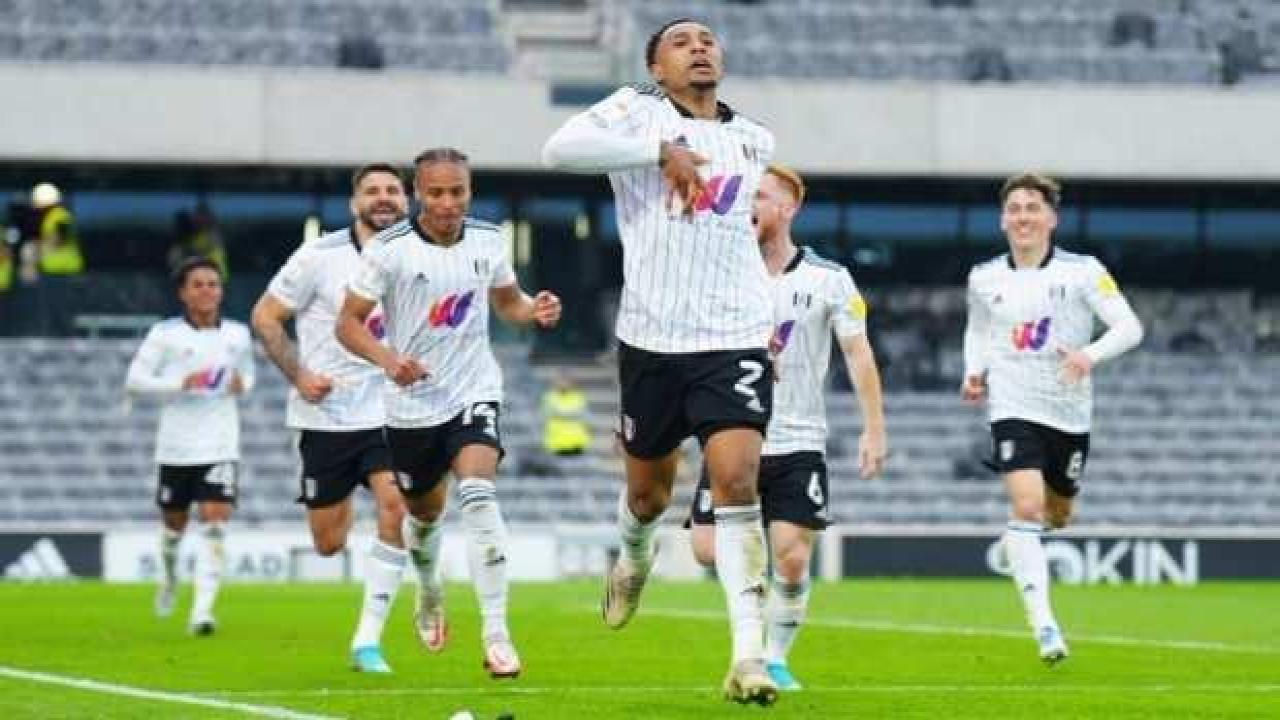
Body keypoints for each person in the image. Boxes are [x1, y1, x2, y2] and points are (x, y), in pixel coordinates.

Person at [543, 17, 781, 705]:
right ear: (657, 66)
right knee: (647, 497)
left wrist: (766, 323)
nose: (700, 46)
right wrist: (658, 151)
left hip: (732, 337)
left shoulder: (753, 138)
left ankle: (748, 656)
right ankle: (635, 556)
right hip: (651, 340)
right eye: (681, 41)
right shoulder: (635, 108)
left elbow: (739, 240)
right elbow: (559, 149)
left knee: (737, 483)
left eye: (708, 38)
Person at [336, 147, 562, 679]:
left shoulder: (488, 239)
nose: (446, 202)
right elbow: (348, 324)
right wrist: (390, 361)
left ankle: (497, 634)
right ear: (418, 193)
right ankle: (430, 589)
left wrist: (535, 310)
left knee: (479, 495)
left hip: (473, 390)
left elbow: (508, 304)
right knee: (425, 514)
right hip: (411, 404)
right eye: (435, 192)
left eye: (456, 191)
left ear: (469, 191)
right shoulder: (389, 251)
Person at [686, 165, 887, 692]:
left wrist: (874, 429)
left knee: (793, 559)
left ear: (788, 208)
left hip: (798, 438)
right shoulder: (719, 274)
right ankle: (753, 640)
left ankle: (769, 658)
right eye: (744, 196)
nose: (747, 204)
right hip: (732, 435)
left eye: (761, 196)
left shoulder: (828, 279)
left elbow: (858, 353)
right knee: (706, 549)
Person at [962, 173, 1143, 664]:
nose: (1023, 216)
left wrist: (1089, 356)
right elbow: (977, 331)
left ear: (1051, 218)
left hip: (1068, 410)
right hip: (1012, 405)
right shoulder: (984, 277)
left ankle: (1015, 544)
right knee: (1026, 507)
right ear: (1003, 220)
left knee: (1058, 514)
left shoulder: (1083, 271)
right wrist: (974, 372)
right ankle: (1045, 627)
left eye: (1032, 208)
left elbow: (1130, 327)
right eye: (1015, 208)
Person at [251, 163, 411, 673]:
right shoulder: (318, 256)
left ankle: (368, 641)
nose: (383, 198)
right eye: (372, 190)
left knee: (395, 504)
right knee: (328, 543)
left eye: (392, 189)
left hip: (392, 410)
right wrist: (298, 374)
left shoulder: (422, 253)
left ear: (406, 200)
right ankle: (355, 505)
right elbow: (265, 316)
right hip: (327, 415)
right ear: (354, 203)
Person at [125, 257, 256, 636]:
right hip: (176, 446)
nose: (206, 291)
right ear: (182, 292)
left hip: (220, 444)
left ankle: (202, 610)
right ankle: (168, 579)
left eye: (213, 284)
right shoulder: (164, 334)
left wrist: (241, 386)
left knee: (215, 525)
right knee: (173, 528)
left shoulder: (237, 334)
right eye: (197, 284)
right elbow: (134, 380)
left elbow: (248, 375)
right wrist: (181, 383)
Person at [30, 182, 84, 277]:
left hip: (65, 270)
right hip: (54, 269)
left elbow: (60, 238)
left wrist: (36, 249)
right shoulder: (51, 216)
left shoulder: (59, 215)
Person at [541, 371, 591, 456]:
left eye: (566, 380)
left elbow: (581, 413)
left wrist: (560, 413)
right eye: (560, 380)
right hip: (556, 444)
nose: (563, 383)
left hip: (577, 443)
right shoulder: (549, 397)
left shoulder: (579, 396)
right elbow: (549, 412)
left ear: (572, 382)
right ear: (555, 382)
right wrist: (569, 413)